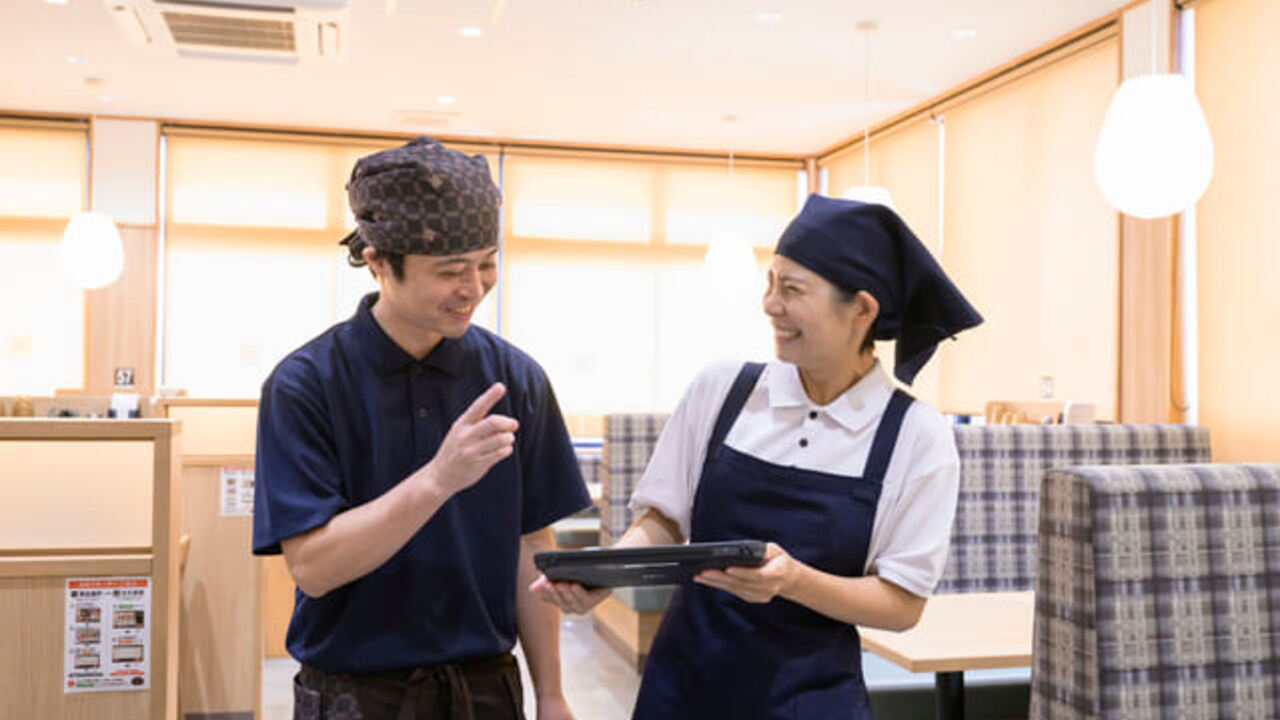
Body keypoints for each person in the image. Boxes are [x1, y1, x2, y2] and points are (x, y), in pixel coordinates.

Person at [532, 194, 983, 719]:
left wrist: (793, 580)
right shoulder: (722, 390)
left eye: (792, 289)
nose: (770, 304)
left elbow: (902, 606)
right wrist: (605, 576)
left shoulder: (915, 435)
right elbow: (663, 520)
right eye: (771, 282)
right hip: (682, 690)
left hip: (813, 699)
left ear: (862, 309)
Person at [253, 137, 593, 720]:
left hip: (487, 689)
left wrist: (554, 695)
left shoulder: (517, 378)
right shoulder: (304, 384)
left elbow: (530, 544)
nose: (475, 287)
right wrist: (438, 479)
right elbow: (313, 566)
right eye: (450, 271)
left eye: (487, 263)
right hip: (353, 693)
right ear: (380, 262)